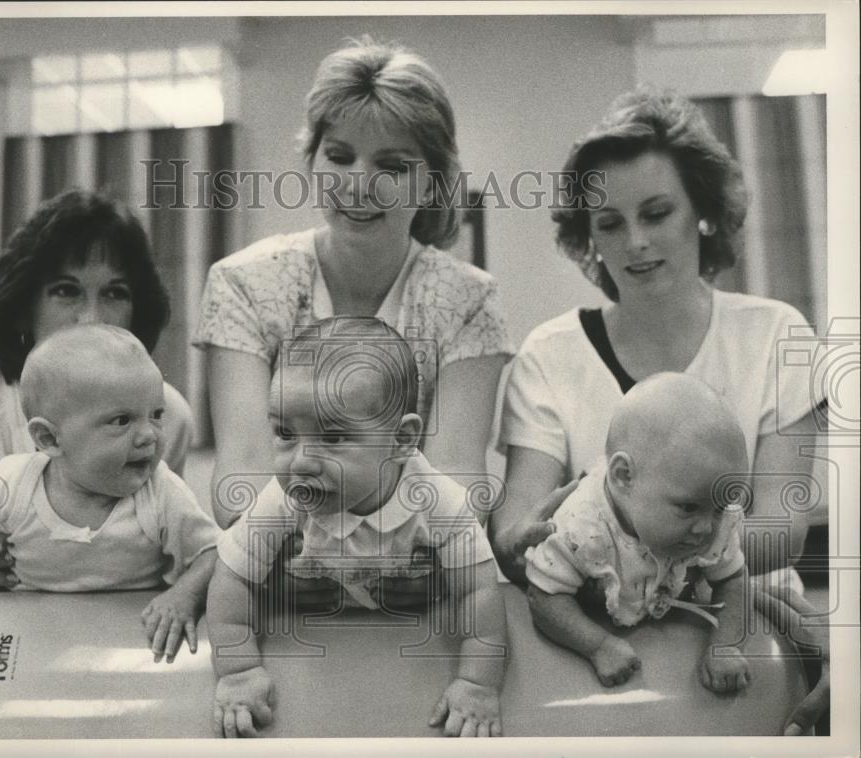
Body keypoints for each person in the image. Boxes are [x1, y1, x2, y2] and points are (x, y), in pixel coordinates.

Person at [490, 86, 828, 734]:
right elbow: (517, 524)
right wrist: (518, 543)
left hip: (746, 635)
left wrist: (653, 567)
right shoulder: (549, 354)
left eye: (656, 212)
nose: (636, 242)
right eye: (610, 223)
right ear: (588, 239)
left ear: (702, 212)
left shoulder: (777, 335)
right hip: (589, 645)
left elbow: (782, 528)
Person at [194, 39, 513, 562]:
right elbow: (240, 487)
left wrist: (354, 546)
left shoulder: (468, 300)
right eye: (339, 157)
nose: (358, 185)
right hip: (278, 583)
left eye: (391, 165)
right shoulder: (243, 284)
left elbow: (462, 494)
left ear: (433, 182)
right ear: (312, 161)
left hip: (418, 592)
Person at [0, 189, 195, 595]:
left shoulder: (167, 414)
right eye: (66, 290)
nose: (91, 317)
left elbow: (161, 564)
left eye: (115, 293)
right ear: (25, 300)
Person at [206, 317, 505, 738]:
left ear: (401, 441)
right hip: (306, 602)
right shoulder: (286, 496)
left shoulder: (437, 501)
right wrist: (238, 671)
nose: (301, 461)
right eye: (285, 433)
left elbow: (479, 589)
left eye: (333, 438)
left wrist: (477, 683)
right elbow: (232, 576)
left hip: (407, 608)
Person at [0, 325, 219, 663]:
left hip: (130, 636)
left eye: (156, 415)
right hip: (33, 635)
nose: (149, 436)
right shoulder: (16, 482)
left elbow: (213, 552)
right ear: (50, 439)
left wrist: (185, 596)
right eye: (122, 420)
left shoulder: (160, 492)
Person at [526, 373, 750, 691]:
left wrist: (726, 645)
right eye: (688, 508)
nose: (706, 527)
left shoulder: (712, 511)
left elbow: (734, 580)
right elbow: (543, 596)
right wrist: (597, 645)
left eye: (720, 508)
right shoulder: (582, 528)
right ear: (624, 477)